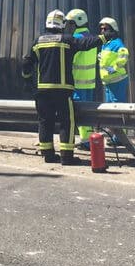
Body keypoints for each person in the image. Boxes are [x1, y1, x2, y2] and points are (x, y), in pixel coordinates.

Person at [21, 9, 107, 166]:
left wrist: (28, 81)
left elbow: (26, 63)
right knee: (67, 122)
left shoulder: (38, 41)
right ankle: (66, 157)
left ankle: (48, 155)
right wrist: (103, 37)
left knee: (44, 122)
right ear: (61, 25)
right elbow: (87, 43)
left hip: (42, 91)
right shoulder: (67, 40)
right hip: (62, 90)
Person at [66, 8, 98, 150]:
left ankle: (86, 141)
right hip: (89, 82)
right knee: (88, 112)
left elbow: (71, 60)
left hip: (77, 81)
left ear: (75, 23)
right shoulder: (90, 37)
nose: (68, 26)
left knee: (80, 113)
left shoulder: (76, 39)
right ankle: (89, 139)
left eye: (70, 23)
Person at [97, 17, 130, 103]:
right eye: (101, 29)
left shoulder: (117, 43)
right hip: (108, 81)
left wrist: (114, 68)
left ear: (113, 29)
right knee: (110, 107)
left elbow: (124, 56)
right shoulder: (106, 44)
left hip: (117, 80)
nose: (102, 31)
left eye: (105, 29)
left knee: (117, 105)